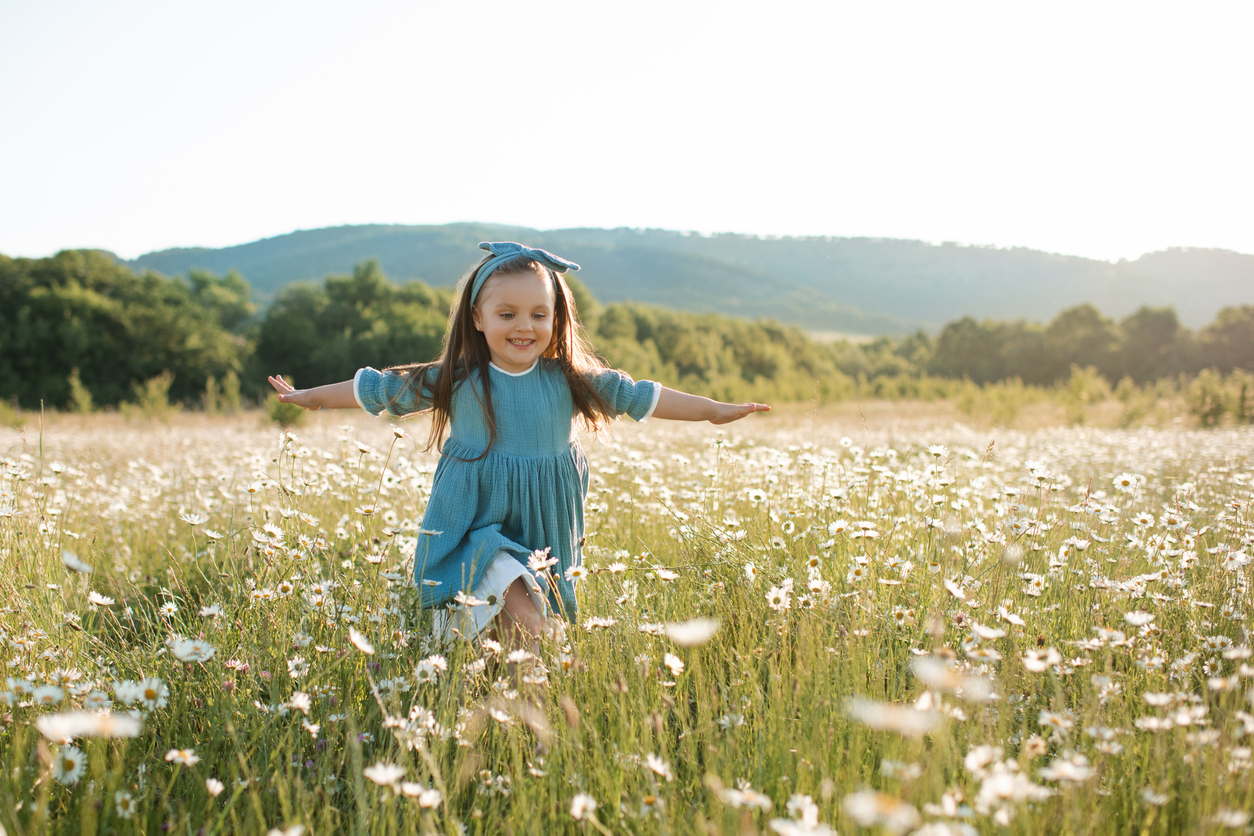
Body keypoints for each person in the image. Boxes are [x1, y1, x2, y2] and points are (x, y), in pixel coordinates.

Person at [268, 241, 769, 654]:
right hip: (474, 525)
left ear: (556, 319)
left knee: (519, 638)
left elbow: (640, 395)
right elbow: (381, 388)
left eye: (538, 314)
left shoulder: (571, 379)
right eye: (507, 313)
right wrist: (310, 396)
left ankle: (517, 718)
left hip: (544, 526)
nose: (524, 326)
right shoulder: (459, 378)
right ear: (478, 317)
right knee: (526, 617)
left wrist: (712, 409)